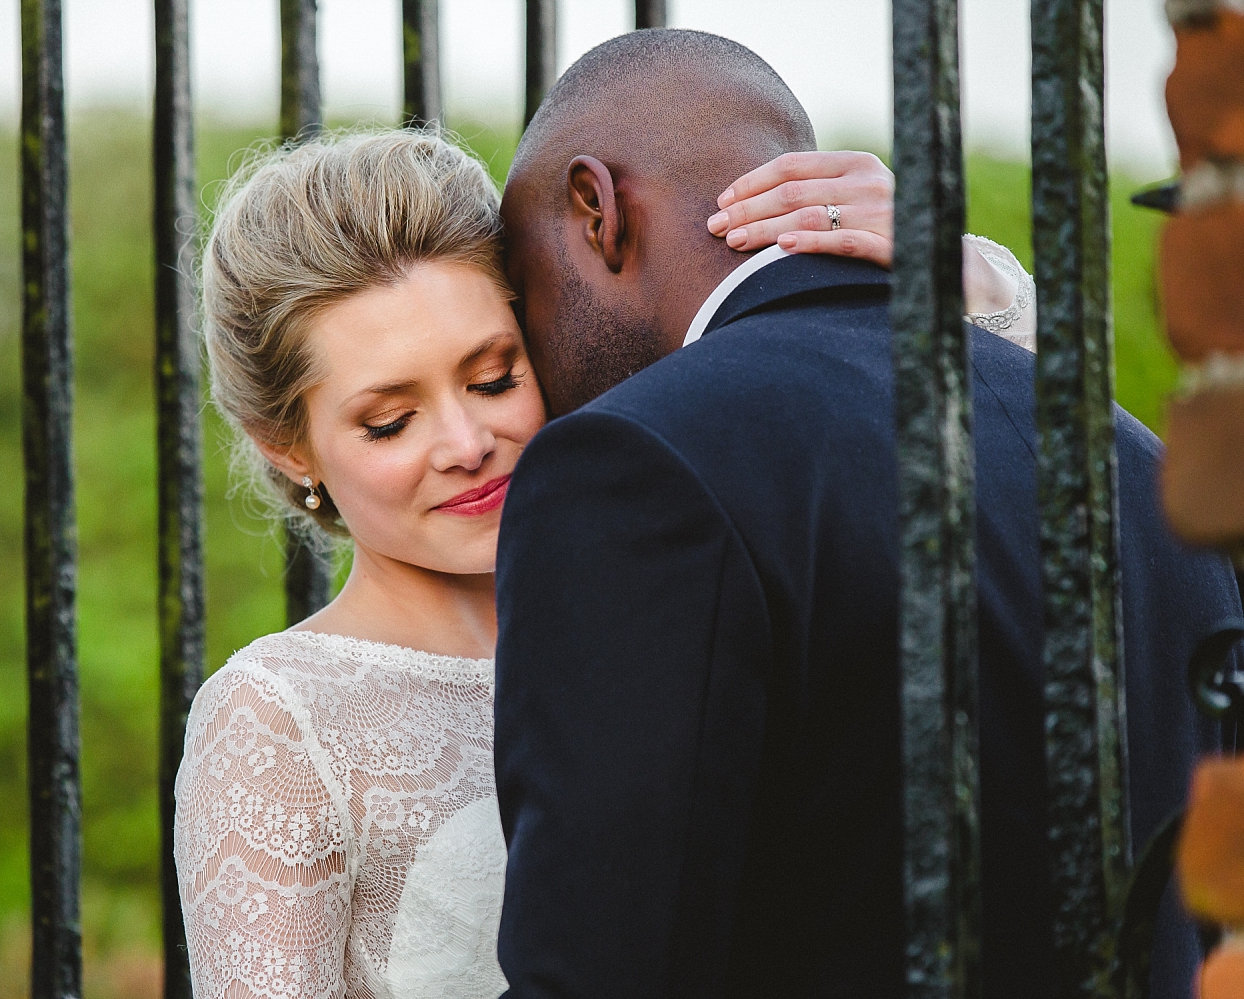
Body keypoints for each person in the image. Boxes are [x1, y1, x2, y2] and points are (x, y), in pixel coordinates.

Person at [171, 130, 1033, 999]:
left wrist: (973, 291)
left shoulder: (668, 597)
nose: (468, 445)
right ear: (288, 447)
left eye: (496, 378)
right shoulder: (274, 722)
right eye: (391, 421)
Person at [491, 28, 1243, 999]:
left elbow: (600, 968)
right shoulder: (1137, 462)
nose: (526, 361)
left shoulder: (633, 460)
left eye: (522, 283)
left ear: (595, 208)